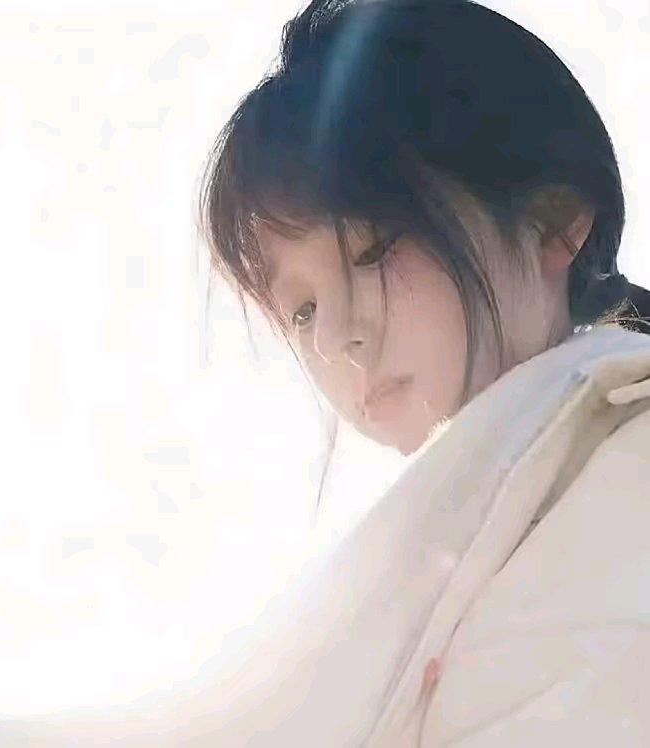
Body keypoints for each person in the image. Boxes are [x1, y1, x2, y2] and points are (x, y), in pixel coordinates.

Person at [183, 0, 650, 745]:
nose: (333, 336)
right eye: (301, 309)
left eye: (372, 252)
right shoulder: (478, 518)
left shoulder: (627, 466)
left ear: (553, 220)